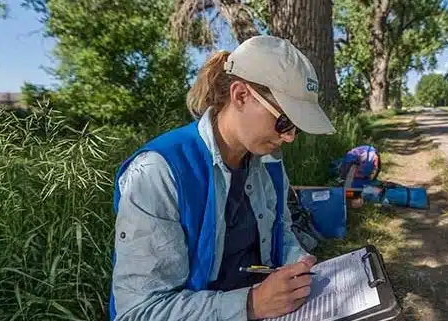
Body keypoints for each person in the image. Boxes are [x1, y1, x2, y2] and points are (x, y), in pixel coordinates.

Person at [108, 35, 337, 321]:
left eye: (296, 128)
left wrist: (298, 264)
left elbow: (282, 230)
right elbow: (139, 311)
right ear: (240, 95)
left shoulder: (269, 162)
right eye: (284, 122)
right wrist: (251, 304)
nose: (289, 137)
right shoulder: (158, 172)